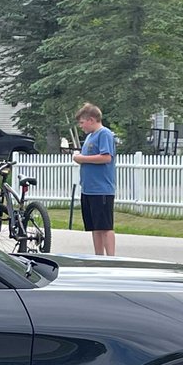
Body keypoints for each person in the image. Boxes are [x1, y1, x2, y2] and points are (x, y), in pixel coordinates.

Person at [72, 103, 117, 256]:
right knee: (95, 227)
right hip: (88, 189)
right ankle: (99, 257)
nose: (81, 126)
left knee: (105, 226)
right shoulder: (90, 137)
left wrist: (82, 158)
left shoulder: (104, 134)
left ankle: (111, 258)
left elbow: (106, 157)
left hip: (101, 189)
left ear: (91, 120)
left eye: (82, 122)